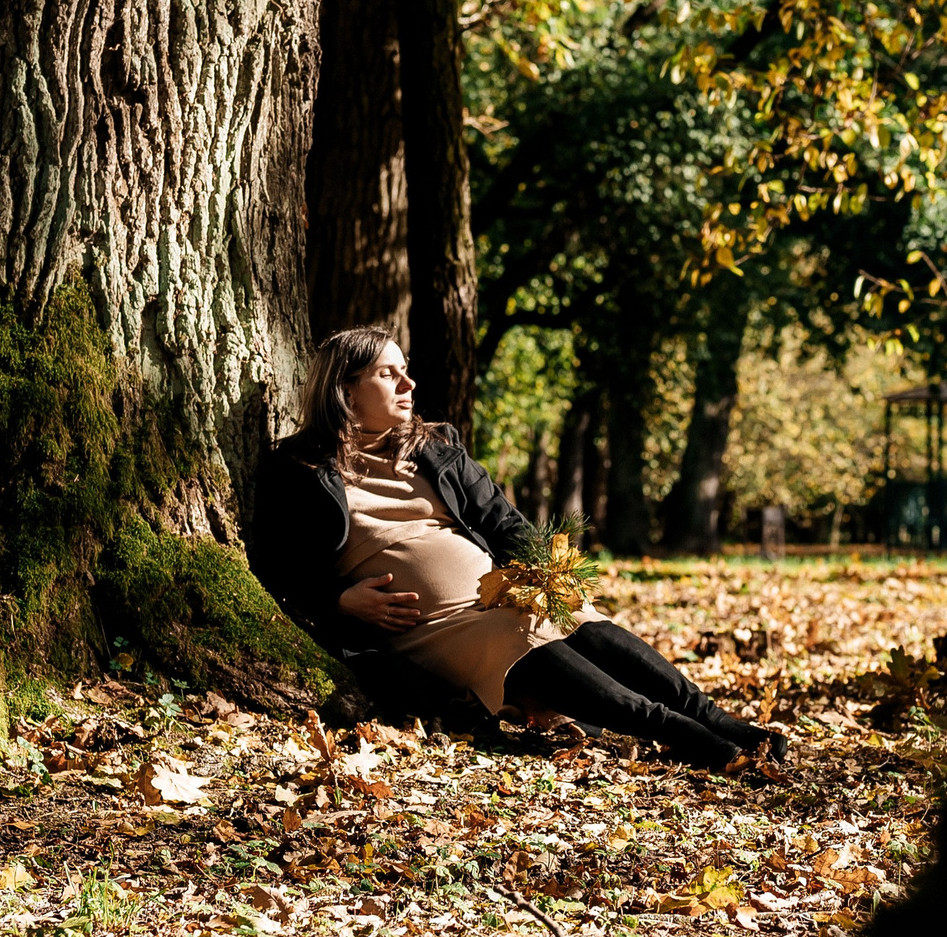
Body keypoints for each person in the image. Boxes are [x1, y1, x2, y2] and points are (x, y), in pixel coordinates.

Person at [249, 326, 784, 772]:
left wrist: (550, 578)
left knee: (580, 619)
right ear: (344, 389)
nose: (409, 383)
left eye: (405, 368)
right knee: (520, 639)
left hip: (500, 595)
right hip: (439, 628)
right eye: (388, 374)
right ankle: (685, 737)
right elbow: (273, 564)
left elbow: (500, 520)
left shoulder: (434, 448)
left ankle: (716, 719)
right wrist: (340, 600)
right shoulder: (301, 470)